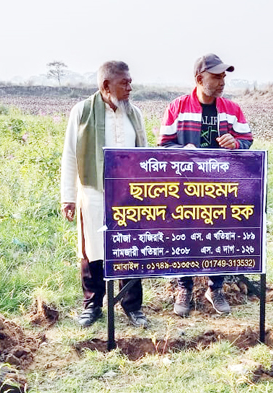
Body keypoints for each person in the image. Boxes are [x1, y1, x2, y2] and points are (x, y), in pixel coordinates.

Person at [159, 53, 253, 317]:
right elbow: (164, 145)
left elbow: (246, 139)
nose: (222, 81)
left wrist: (236, 144)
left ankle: (216, 287)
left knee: (219, 234)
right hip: (186, 186)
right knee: (184, 234)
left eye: (224, 76)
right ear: (200, 78)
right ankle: (184, 288)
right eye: (217, 76)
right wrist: (183, 149)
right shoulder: (177, 107)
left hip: (221, 186)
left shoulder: (232, 109)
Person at [61, 61, 150, 328]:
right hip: (93, 190)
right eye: (125, 83)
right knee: (92, 249)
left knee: (130, 247)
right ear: (106, 85)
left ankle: (132, 306)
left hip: (128, 193)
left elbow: (144, 152)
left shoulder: (134, 113)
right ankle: (92, 305)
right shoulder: (82, 112)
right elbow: (70, 154)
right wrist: (68, 197)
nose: (130, 87)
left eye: (130, 81)